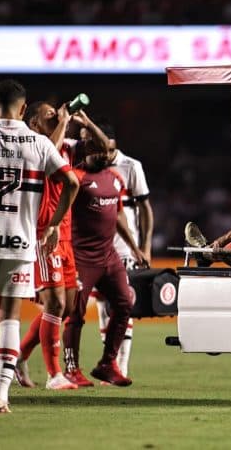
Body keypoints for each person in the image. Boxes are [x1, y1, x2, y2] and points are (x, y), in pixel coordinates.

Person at [0, 79, 79, 412]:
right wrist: (54, 225)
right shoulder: (39, 144)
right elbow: (71, 182)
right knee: (9, 319)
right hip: (20, 245)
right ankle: (0, 396)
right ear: (23, 109)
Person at [13, 102, 111, 389]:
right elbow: (49, 157)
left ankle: (20, 356)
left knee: (66, 307)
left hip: (66, 236)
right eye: (49, 115)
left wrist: (88, 124)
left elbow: (104, 149)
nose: (56, 116)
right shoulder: (33, 145)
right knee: (54, 303)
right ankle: (54, 374)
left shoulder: (67, 146)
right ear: (34, 123)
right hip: (44, 232)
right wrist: (64, 122)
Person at [63, 138, 146, 387]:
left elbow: (119, 215)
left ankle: (107, 364)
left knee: (125, 303)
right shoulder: (76, 179)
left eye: (105, 151)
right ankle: (71, 369)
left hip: (109, 255)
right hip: (81, 257)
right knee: (75, 313)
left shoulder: (114, 178)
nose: (103, 155)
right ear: (85, 153)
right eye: (97, 151)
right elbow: (61, 212)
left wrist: (134, 248)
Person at [95, 133, 153, 379]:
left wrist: (145, 247)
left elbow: (145, 208)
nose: (107, 155)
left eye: (110, 150)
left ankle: (121, 364)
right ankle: (110, 363)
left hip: (125, 249)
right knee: (101, 308)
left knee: (123, 303)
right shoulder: (92, 167)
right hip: (96, 247)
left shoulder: (131, 166)